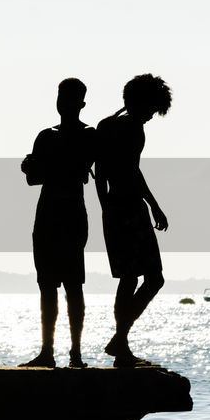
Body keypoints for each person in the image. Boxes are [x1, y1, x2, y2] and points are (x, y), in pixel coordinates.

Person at [96, 74, 172, 368]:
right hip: (128, 208)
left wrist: (106, 208)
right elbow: (129, 173)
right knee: (152, 278)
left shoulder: (108, 125)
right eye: (151, 109)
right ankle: (120, 341)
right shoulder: (130, 129)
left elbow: (102, 173)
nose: (152, 115)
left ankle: (121, 343)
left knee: (130, 278)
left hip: (116, 207)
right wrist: (154, 206)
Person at [20, 78, 98, 369]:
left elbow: (77, 170)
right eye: (60, 97)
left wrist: (42, 166)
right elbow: (33, 177)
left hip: (71, 215)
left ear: (80, 103)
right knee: (47, 285)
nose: (62, 102)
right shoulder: (46, 135)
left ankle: (75, 353)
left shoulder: (89, 135)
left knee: (73, 285)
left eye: (68, 97)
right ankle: (47, 351)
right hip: (47, 214)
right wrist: (39, 167)